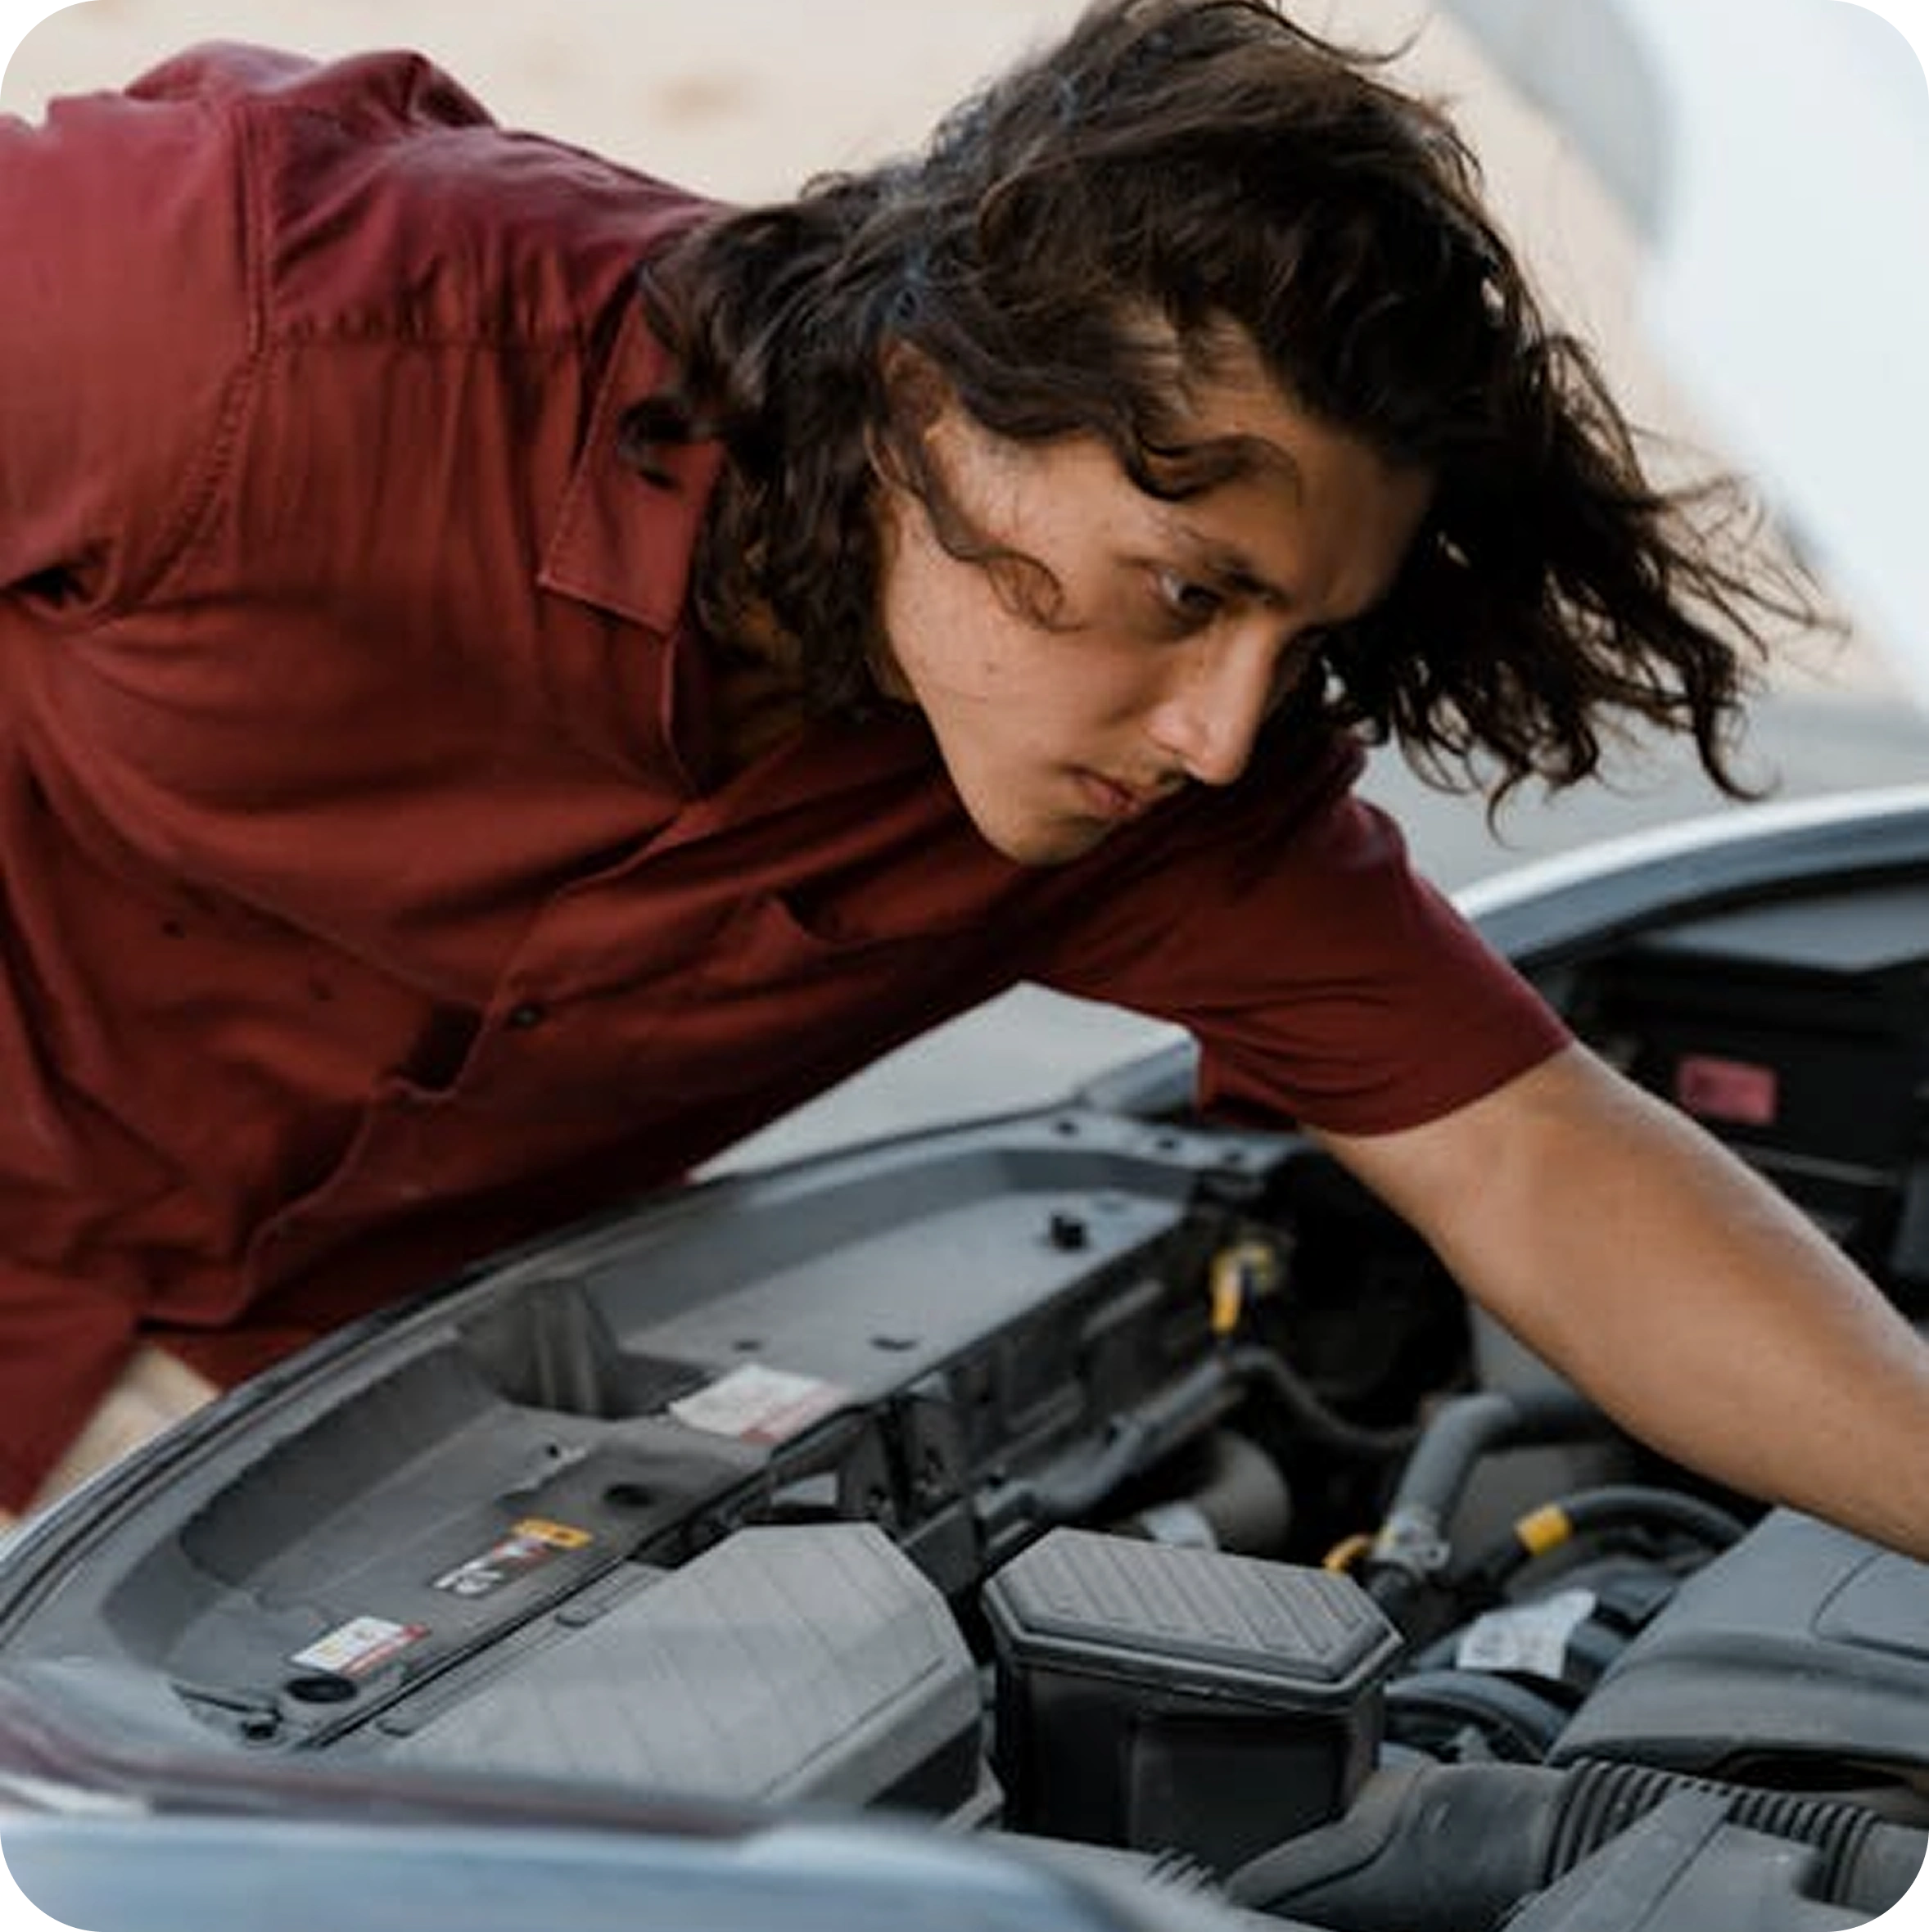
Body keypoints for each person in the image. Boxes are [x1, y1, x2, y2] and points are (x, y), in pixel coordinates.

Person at [2, 0, 1925, 1551]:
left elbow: (1530, 1153)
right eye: (1186, 589)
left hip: (292, 1445)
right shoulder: (244, 326)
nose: (1220, 728)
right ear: (931, 398)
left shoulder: (1140, 797)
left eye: (1297, 637)